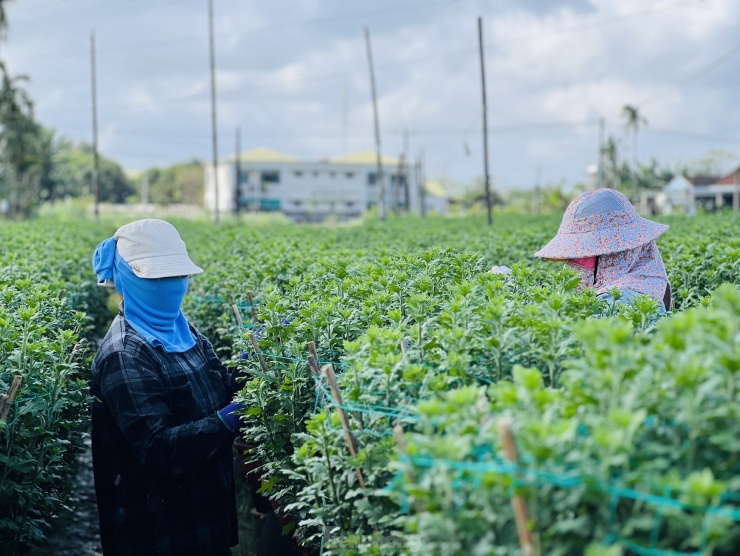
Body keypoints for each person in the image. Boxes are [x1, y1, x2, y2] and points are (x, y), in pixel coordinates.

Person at [90, 219, 244, 556]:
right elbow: (157, 448)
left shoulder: (181, 328)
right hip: (159, 532)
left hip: (204, 518)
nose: (172, 284)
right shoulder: (124, 353)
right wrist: (226, 421)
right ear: (127, 278)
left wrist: (250, 372)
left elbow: (218, 390)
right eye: (158, 277)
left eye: (177, 275)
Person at [491, 188, 672, 312]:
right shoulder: (647, 281)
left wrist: (514, 291)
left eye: (583, 256)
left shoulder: (621, 299)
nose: (572, 264)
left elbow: (566, 329)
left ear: (612, 256)